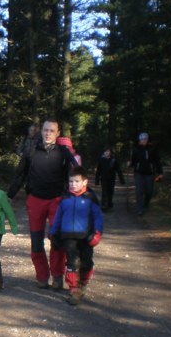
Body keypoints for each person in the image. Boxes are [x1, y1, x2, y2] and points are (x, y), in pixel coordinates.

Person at [8, 119, 78, 290]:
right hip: (36, 200)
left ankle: (57, 275)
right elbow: (20, 174)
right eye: (45, 130)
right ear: (41, 132)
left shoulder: (63, 153)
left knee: (57, 240)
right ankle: (42, 276)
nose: (48, 133)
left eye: (52, 131)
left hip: (57, 201)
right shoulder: (31, 151)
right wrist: (9, 195)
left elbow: (76, 175)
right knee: (36, 242)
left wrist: (82, 197)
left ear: (58, 133)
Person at [50, 166, 103, 305]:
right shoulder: (65, 198)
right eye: (71, 181)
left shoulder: (90, 198)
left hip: (86, 237)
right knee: (71, 263)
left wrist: (97, 233)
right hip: (68, 236)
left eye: (76, 181)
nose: (73, 184)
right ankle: (73, 289)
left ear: (85, 182)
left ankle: (83, 282)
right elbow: (58, 217)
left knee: (86, 262)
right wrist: (53, 233)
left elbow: (98, 217)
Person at [129, 132, 163, 215]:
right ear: (139, 140)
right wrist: (130, 164)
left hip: (149, 173)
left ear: (147, 140)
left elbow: (158, 161)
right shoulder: (136, 149)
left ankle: (145, 204)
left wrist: (160, 172)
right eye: (142, 139)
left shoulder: (152, 148)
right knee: (139, 190)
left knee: (149, 191)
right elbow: (133, 161)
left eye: (145, 139)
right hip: (138, 173)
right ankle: (139, 209)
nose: (144, 140)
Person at [94, 146, 125, 211]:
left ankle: (109, 203)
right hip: (103, 178)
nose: (107, 153)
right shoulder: (101, 160)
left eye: (108, 151)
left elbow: (118, 170)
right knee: (104, 191)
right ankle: (104, 205)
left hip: (111, 178)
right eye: (105, 151)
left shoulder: (114, 160)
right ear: (103, 152)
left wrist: (121, 179)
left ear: (110, 152)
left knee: (110, 191)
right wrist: (97, 180)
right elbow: (98, 171)